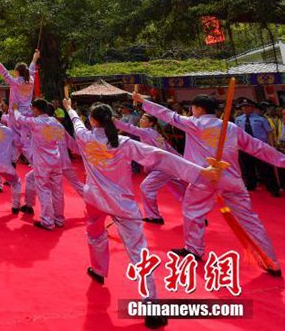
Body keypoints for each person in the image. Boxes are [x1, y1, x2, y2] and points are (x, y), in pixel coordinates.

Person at [63, 99, 226, 330]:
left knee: (94, 233)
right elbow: (160, 156)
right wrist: (201, 173)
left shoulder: (85, 137)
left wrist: (69, 107)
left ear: (93, 121)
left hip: (94, 199)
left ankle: (99, 270)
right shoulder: (123, 142)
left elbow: (76, 122)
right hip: (122, 204)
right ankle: (151, 303)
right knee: (138, 252)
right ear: (112, 120)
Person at [137, 91, 285, 275]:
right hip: (231, 179)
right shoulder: (230, 127)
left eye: (193, 107)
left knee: (193, 213)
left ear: (198, 109)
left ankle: (194, 249)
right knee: (250, 220)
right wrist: (282, 160)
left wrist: (143, 101)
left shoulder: (193, 123)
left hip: (204, 178)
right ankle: (271, 262)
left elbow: (168, 115)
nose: (191, 110)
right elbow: (256, 146)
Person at [115, 114, 187, 225]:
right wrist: (181, 160)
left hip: (163, 167)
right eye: (141, 118)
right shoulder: (155, 133)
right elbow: (168, 148)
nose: (141, 120)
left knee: (146, 187)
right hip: (168, 166)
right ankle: (196, 215)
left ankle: (154, 216)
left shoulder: (147, 132)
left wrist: (115, 121)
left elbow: (131, 128)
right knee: (181, 192)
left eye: (144, 119)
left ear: (151, 123)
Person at [11, 98, 66, 230]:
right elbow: (60, 139)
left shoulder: (36, 122)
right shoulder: (56, 123)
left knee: (44, 190)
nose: (31, 110)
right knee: (57, 190)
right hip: (55, 160)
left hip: (42, 163)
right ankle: (59, 219)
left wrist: (15, 109)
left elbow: (19, 118)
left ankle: (47, 221)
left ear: (36, 108)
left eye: (32, 108)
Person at [234, 99, 280, 196]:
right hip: (245, 147)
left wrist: (271, 146)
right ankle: (251, 185)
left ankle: (272, 188)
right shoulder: (239, 119)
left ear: (252, 108)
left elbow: (269, 133)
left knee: (266, 168)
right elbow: (237, 133)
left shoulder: (261, 119)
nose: (244, 109)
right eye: (243, 107)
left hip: (260, 146)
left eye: (247, 106)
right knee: (247, 167)